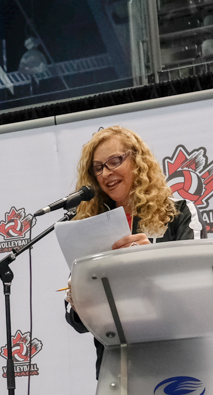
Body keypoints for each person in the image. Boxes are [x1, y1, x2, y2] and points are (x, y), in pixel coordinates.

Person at [64, 125, 200, 374]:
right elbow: (77, 323)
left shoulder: (178, 212)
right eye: (98, 167)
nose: (106, 173)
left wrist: (149, 262)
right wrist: (78, 299)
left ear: (137, 161)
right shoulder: (88, 226)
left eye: (115, 161)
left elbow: (195, 293)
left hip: (175, 360)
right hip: (116, 366)